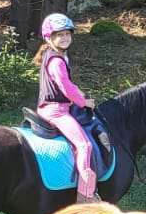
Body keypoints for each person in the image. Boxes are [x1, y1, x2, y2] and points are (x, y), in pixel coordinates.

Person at [35, 12, 100, 202]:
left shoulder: (54, 54)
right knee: (85, 145)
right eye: (59, 35)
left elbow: (68, 84)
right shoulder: (56, 61)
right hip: (56, 111)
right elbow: (65, 86)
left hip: (54, 106)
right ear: (50, 37)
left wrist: (79, 93)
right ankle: (85, 196)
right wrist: (83, 102)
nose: (64, 38)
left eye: (67, 34)